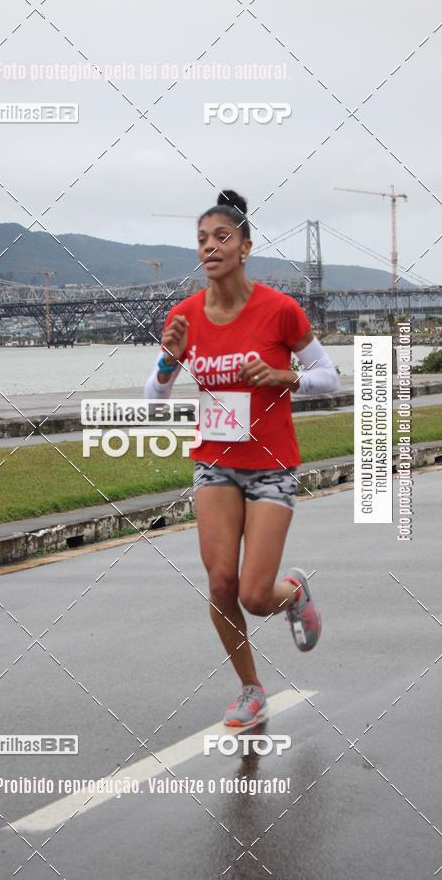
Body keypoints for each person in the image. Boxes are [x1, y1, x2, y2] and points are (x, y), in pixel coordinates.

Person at [144, 190, 339, 728]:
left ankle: (293, 592)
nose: (210, 247)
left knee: (255, 595)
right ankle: (251, 689)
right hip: (215, 464)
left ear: (246, 247)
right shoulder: (184, 316)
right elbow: (153, 399)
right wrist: (168, 358)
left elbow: (330, 376)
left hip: (272, 463)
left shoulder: (279, 310)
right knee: (221, 584)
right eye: (202, 240)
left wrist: (286, 377)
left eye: (222, 238)